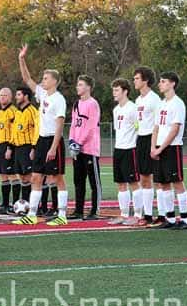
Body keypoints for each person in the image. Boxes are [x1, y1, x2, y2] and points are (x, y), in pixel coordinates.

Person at [14, 44, 68, 226]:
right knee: (36, 177)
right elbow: (27, 78)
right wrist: (22, 58)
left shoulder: (59, 99)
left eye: (46, 78)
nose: (42, 81)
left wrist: (53, 147)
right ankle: (32, 214)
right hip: (41, 140)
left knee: (58, 178)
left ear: (54, 81)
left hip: (54, 141)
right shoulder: (43, 94)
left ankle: (62, 215)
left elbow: (60, 125)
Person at [150, 72, 187, 230]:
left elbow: (174, 129)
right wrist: (153, 147)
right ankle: (170, 219)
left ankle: (184, 220)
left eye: (163, 81)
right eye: (160, 81)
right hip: (159, 148)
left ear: (172, 84)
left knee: (177, 182)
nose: (160, 84)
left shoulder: (177, 103)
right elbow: (156, 128)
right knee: (163, 183)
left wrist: (161, 148)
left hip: (172, 148)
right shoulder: (161, 104)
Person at [68, 75, 102, 220]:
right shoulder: (76, 104)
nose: (78, 87)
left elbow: (90, 127)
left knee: (94, 182)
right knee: (78, 180)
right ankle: (78, 210)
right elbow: (73, 125)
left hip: (89, 149)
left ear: (88, 87)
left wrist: (79, 142)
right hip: (77, 149)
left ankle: (95, 210)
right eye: (78, 84)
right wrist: (71, 142)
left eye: (81, 84)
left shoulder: (92, 104)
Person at [109, 78, 142, 226]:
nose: (114, 93)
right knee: (121, 184)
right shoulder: (116, 110)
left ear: (125, 91)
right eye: (113, 90)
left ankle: (137, 215)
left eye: (117, 90)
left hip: (130, 149)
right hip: (118, 149)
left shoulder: (132, 108)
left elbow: (138, 128)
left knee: (134, 183)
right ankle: (123, 214)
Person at [133, 66, 162, 225]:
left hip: (152, 138)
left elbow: (158, 124)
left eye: (137, 78)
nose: (134, 81)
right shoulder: (138, 100)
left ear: (145, 80)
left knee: (157, 179)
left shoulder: (154, 99)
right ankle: (148, 214)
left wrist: (155, 144)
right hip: (141, 139)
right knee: (144, 177)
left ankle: (163, 215)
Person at [0, 88, 18, 213]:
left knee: (12, 175)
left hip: (8, 145)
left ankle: (16, 204)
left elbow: (14, 131)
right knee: (3, 175)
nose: (2, 97)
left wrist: (10, 148)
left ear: (10, 97)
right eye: (0, 95)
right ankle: (5, 204)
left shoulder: (13, 112)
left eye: (5, 95)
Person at [10, 86, 39, 205]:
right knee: (22, 177)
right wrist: (10, 147)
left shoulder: (32, 111)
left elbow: (38, 130)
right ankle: (26, 204)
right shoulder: (17, 112)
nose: (16, 97)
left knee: (31, 177)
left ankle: (35, 205)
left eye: (18, 95)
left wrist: (34, 148)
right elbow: (14, 131)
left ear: (26, 96)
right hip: (18, 148)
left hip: (28, 147)